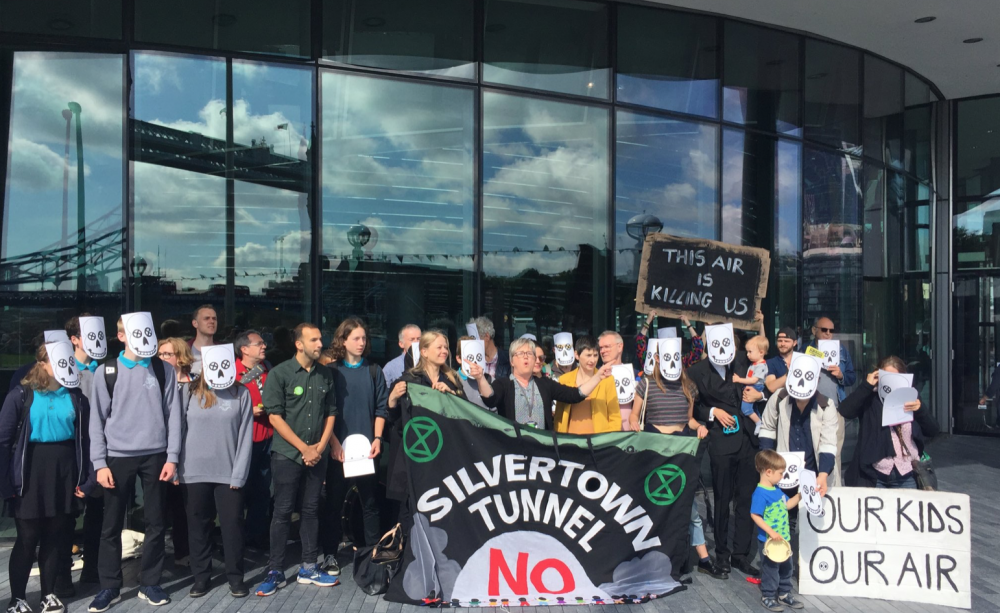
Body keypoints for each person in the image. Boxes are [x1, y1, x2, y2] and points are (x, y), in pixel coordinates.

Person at [87, 315, 181, 613]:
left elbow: (173, 415)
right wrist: (99, 463)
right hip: (118, 456)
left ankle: (150, 582)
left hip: (156, 455)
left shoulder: (163, 369)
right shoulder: (107, 371)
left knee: (156, 521)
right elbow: (96, 420)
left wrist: (173, 457)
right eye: (136, 333)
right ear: (121, 336)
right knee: (111, 524)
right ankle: (109, 586)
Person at [1, 343, 94, 613]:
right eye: (59, 361)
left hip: (63, 471)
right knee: (27, 537)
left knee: (56, 536)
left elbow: (86, 441)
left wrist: (86, 479)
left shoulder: (76, 397)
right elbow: (3, 441)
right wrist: (5, 483)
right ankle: (17, 598)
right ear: (42, 364)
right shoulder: (21, 395)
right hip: (30, 470)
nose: (67, 366)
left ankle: (48, 594)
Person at [255, 323, 341, 597]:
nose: (320, 344)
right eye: (314, 340)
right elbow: (274, 417)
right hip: (287, 454)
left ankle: (308, 566)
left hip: (317, 453)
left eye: (320, 339)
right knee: (282, 511)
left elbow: (331, 412)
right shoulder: (279, 374)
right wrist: (304, 448)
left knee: (311, 509)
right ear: (299, 344)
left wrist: (321, 447)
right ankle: (275, 570)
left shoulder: (326, 374)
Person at [626, 354, 727, 580]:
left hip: (681, 451)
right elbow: (635, 413)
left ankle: (703, 559)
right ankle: (653, 559)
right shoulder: (646, 384)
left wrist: (699, 426)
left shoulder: (688, 386)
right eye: (666, 357)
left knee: (688, 506)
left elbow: (689, 419)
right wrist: (633, 422)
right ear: (657, 358)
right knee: (653, 506)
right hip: (654, 450)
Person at [177, 346, 253, 598]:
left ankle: (236, 577)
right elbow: (178, 429)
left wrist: (239, 473)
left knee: (232, 525)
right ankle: (201, 577)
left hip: (228, 472)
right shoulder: (189, 391)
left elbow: (245, 436)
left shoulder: (241, 393)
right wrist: (175, 465)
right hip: (193, 471)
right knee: (198, 526)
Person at [690, 324, 761, 578]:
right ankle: (722, 555)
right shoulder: (696, 371)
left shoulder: (744, 360)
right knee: (722, 499)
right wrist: (713, 412)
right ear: (708, 345)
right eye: (717, 344)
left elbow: (764, 367)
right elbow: (693, 407)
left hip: (748, 440)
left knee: (746, 498)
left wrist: (759, 395)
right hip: (721, 441)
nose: (722, 349)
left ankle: (740, 554)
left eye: (727, 343)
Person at [320, 318, 389, 576]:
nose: (361, 343)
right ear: (343, 340)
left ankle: (372, 554)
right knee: (334, 503)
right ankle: (330, 554)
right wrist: (333, 443)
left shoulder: (374, 370)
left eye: (364, 338)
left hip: (367, 449)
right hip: (338, 449)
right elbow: (325, 411)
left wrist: (377, 438)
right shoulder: (331, 371)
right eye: (356, 338)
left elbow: (381, 408)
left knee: (370, 503)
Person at [386, 331, 467, 533]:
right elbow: (394, 420)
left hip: (444, 457)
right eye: (439, 347)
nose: (444, 351)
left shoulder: (452, 379)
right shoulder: (409, 380)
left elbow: (465, 414)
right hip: (417, 458)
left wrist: (451, 395)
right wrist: (393, 398)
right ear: (424, 351)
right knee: (409, 511)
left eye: (446, 347)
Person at [838, 356, 938, 488]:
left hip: (906, 473)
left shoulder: (911, 397)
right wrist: (866, 386)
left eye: (895, 379)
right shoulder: (870, 396)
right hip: (876, 473)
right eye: (887, 378)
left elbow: (932, 430)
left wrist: (920, 410)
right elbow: (845, 410)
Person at [472, 338, 612, 430]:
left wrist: (598, 377)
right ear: (512, 361)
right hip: (513, 450)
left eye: (529, 353)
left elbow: (574, 395)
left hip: (542, 452)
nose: (526, 356)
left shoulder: (545, 384)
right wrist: (480, 378)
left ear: (534, 360)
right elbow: (490, 398)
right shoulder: (504, 384)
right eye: (520, 353)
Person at [65, 316, 102, 588]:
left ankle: (92, 568)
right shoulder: (65, 370)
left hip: (97, 447)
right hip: (72, 450)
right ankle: (62, 574)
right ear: (75, 339)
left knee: (97, 512)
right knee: (68, 513)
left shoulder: (104, 371)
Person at [751, 450, 804, 612]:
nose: (782, 476)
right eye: (781, 473)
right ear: (768, 472)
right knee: (771, 569)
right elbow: (755, 515)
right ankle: (768, 595)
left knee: (787, 566)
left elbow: (787, 505)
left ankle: (784, 593)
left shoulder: (776, 490)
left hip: (783, 539)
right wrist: (771, 532)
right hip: (769, 540)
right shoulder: (760, 493)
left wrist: (800, 495)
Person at [233, 330, 272, 550]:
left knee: (262, 490)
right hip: (242, 441)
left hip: (267, 438)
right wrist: (248, 411)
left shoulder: (267, 368)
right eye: (259, 343)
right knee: (239, 491)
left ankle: (256, 535)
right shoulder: (231, 372)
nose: (264, 346)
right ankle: (237, 538)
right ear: (244, 349)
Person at [156, 338, 192, 566]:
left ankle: (184, 552)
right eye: (160, 354)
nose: (162, 358)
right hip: (162, 453)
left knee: (184, 508)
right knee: (160, 509)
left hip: (190, 452)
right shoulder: (156, 382)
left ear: (180, 357)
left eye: (167, 354)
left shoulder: (195, 384)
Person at [553, 336, 621, 434]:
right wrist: (560, 437)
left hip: (598, 439)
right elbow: (559, 416)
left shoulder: (607, 380)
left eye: (595, 355)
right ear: (576, 355)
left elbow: (614, 416)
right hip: (570, 439)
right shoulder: (565, 379)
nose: (592, 360)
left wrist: (608, 439)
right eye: (588, 355)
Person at [807, 317, 856, 406]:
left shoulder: (841, 350)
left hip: (836, 405)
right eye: (824, 330)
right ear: (814, 330)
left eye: (831, 330)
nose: (828, 333)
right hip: (811, 405)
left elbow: (852, 378)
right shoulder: (805, 349)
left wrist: (841, 376)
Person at [636, 310, 705, 369]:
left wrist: (648, 321)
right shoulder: (680, 363)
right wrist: (688, 324)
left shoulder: (679, 362)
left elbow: (698, 349)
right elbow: (698, 348)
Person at [597, 331, 637, 430]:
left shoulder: (634, 374)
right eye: (601, 348)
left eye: (607, 346)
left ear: (620, 347)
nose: (603, 351)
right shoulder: (595, 375)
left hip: (628, 432)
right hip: (603, 432)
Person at [734, 335, 768, 431]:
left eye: (750, 352)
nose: (747, 354)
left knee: (746, 409)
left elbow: (753, 380)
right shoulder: (755, 364)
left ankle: (758, 422)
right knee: (754, 408)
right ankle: (759, 421)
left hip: (755, 386)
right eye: (747, 351)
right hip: (752, 386)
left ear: (761, 352)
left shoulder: (761, 366)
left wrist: (739, 379)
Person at [455, 336, 489, 409]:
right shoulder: (453, 380)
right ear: (459, 359)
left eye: (478, 356)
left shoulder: (489, 379)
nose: (475, 362)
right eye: (470, 357)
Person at [763, 328, 797, 395]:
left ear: (794, 343)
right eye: (780, 341)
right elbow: (771, 387)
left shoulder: (802, 360)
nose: (782, 344)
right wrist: (790, 373)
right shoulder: (770, 363)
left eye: (786, 341)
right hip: (781, 400)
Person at [188, 305, 218, 376]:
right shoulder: (184, 350)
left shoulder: (224, 351)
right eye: (206, 318)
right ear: (195, 323)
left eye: (214, 318)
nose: (212, 321)